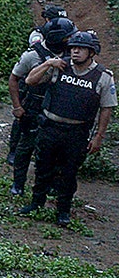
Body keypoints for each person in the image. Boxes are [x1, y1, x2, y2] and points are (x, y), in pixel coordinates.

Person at [18, 30, 115, 227]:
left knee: (69, 173)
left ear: (91, 52)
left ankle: (63, 210)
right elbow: (29, 80)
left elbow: (107, 108)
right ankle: (37, 203)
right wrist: (47, 64)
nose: (75, 52)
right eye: (73, 48)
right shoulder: (59, 66)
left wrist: (99, 136)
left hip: (76, 132)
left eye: (81, 49)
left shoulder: (103, 77)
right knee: (42, 167)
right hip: (50, 127)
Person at [8, 16, 75, 189]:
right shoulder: (32, 56)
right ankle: (18, 183)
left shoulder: (71, 55)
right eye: (68, 37)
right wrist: (17, 106)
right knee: (25, 146)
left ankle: (49, 184)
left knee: (53, 149)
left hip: (56, 107)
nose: (71, 40)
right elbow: (14, 79)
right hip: (34, 105)